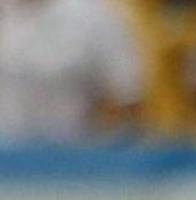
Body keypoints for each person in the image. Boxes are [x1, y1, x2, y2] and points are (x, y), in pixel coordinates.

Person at [0, 0, 144, 140]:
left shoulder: (93, 17)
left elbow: (127, 97)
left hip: (73, 152)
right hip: (6, 151)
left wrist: (99, 146)